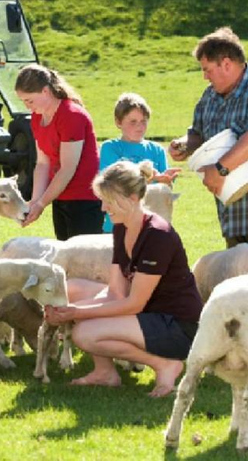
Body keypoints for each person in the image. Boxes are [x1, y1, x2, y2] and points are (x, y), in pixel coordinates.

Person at [45, 161, 203, 398]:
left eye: (108, 200)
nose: (102, 207)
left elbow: (134, 304)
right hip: (146, 313)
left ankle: (164, 364)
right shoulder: (121, 227)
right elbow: (115, 293)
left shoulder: (158, 235)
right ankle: (105, 373)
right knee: (72, 290)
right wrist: (65, 308)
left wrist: (75, 313)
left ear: (131, 198)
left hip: (176, 325)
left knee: (84, 333)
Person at [169, 26, 248, 248]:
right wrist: (185, 144)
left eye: (207, 70)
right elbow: (198, 132)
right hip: (233, 217)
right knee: (238, 281)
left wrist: (220, 169)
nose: (204, 77)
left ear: (226, 64)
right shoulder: (210, 97)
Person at [15, 63, 103, 240]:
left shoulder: (72, 115)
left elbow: (67, 168)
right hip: (60, 196)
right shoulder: (37, 117)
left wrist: (41, 203)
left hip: (85, 199)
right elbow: (42, 164)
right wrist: (34, 202)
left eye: (29, 100)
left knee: (82, 261)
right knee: (65, 257)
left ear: (46, 91)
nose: (27, 106)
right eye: (23, 101)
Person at [99, 92, 181, 232]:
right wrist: (150, 178)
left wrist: (166, 181)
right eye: (133, 122)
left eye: (143, 121)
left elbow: (162, 191)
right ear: (118, 122)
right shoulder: (110, 148)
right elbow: (113, 184)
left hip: (151, 225)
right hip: (118, 225)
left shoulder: (157, 150)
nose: (140, 126)